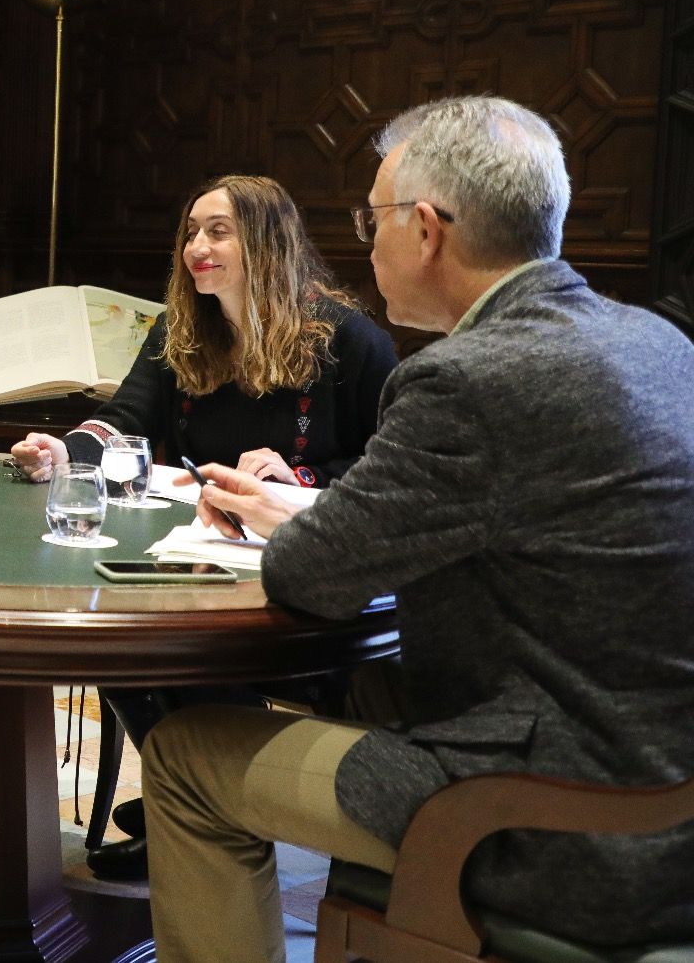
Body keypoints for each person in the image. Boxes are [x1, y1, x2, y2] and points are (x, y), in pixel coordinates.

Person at [146, 95, 694, 961]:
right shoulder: (659, 344)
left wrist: (311, 523)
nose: (367, 241)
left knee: (184, 756)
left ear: (428, 230)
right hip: (668, 794)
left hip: (553, 820)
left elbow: (310, 580)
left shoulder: (466, 381)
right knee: (363, 686)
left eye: (373, 217)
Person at [9, 175, 397, 879]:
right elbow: (126, 421)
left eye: (218, 231)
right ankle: (187, 797)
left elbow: (388, 472)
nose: (197, 247)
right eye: (191, 232)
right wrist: (66, 452)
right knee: (121, 645)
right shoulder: (181, 328)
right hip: (200, 554)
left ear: (266, 243)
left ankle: (203, 808)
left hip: (300, 576)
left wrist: (296, 480)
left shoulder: (349, 339)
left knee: (179, 660)